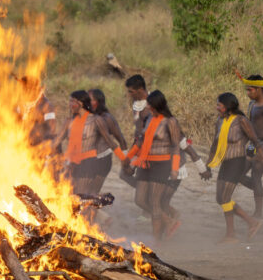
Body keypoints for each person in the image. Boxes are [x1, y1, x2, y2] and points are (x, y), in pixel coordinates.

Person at [202, 93, 263, 243]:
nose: (217, 108)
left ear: (228, 106)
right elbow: (215, 144)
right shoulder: (220, 121)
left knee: (225, 198)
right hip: (225, 162)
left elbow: (255, 141)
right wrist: (208, 165)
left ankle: (233, 234)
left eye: (219, 105)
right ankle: (249, 223)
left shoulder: (241, 120)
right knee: (220, 198)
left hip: (237, 162)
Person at [54, 90, 124, 218]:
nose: (69, 104)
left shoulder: (96, 120)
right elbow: (56, 141)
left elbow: (111, 142)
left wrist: (124, 160)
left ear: (81, 103)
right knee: (68, 195)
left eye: (72, 102)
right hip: (71, 164)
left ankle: (86, 226)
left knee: (81, 197)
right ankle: (81, 222)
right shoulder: (69, 121)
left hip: (88, 164)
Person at [121, 90, 181, 240]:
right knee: (140, 200)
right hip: (145, 163)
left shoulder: (170, 121)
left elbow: (175, 146)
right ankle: (168, 221)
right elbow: (140, 142)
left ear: (157, 105)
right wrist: (127, 158)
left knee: (154, 202)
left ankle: (157, 240)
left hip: (162, 164)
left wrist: (174, 168)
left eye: (150, 104)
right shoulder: (148, 120)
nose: (147, 107)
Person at [238, 73, 263, 218]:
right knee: (239, 175)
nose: (247, 93)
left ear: (259, 89)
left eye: (250, 90)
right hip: (252, 145)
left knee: (256, 177)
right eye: (247, 90)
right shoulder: (252, 104)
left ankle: (258, 212)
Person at [120, 74, 152, 192]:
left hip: (148, 148)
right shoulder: (136, 104)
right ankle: (148, 193)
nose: (129, 94)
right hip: (138, 144)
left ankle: (148, 194)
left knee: (137, 173)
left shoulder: (152, 103)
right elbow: (138, 129)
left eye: (131, 92)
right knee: (123, 173)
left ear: (140, 90)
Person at [17, 75, 56, 148]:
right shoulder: (20, 104)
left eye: (25, 88)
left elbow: (51, 129)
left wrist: (43, 146)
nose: (23, 91)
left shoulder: (46, 106)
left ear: (34, 88)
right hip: (23, 147)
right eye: (23, 88)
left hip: (40, 148)